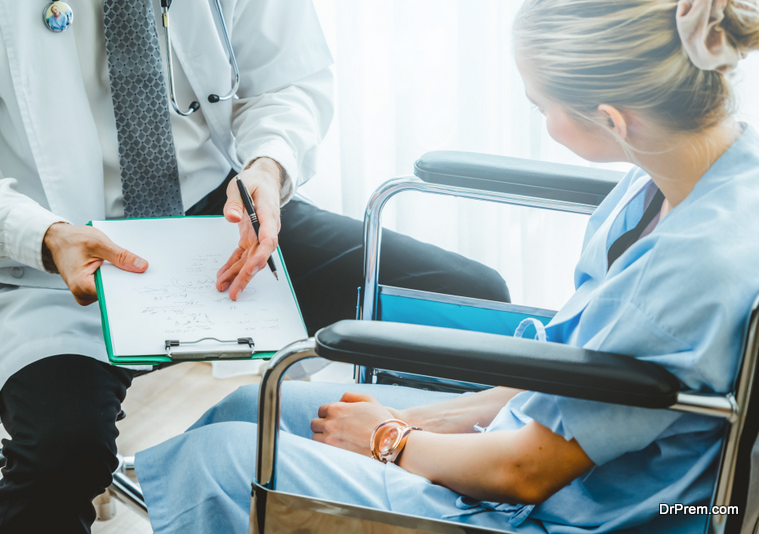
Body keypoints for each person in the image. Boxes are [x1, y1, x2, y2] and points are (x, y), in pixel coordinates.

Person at [134, 0, 759, 532]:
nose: (542, 121)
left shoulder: (682, 274)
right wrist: (427, 418)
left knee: (226, 461)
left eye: (543, 107)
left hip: (569, 510)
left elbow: (526, 471)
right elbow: (580, 366)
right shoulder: (693, 173)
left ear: (613, 120)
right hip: (537, 442)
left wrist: (393, 442)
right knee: (249, 411)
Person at [0, 0, 508, 532]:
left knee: (462, 302)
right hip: (51, 244)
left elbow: (288, 80)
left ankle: (404, 496)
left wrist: (268, 165)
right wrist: (42, 234)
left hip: (221, 215)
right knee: (63, 449)